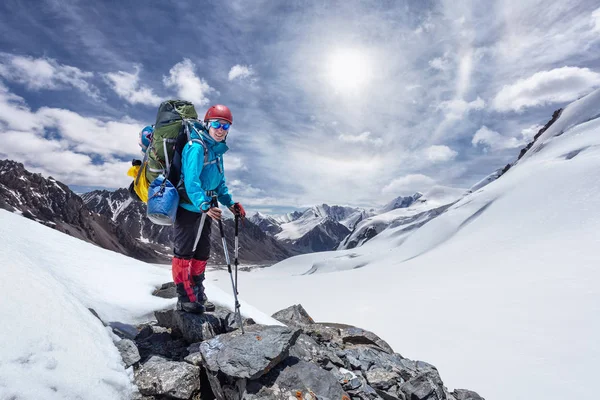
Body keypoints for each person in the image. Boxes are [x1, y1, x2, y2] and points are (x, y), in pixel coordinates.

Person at [171, 104, 246, 314]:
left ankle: (197, 289)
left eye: (226, 126)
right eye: (217, 124)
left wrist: (230, 203)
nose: (221, 129)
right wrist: (203, 204)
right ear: (207, 124)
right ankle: (184, 296)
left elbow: (219, 183)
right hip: (189, 207)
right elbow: (191, 181)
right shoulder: (196, 147)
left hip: (207, 208)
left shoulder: (216, 150)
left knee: (202, 251)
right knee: (184, 252)